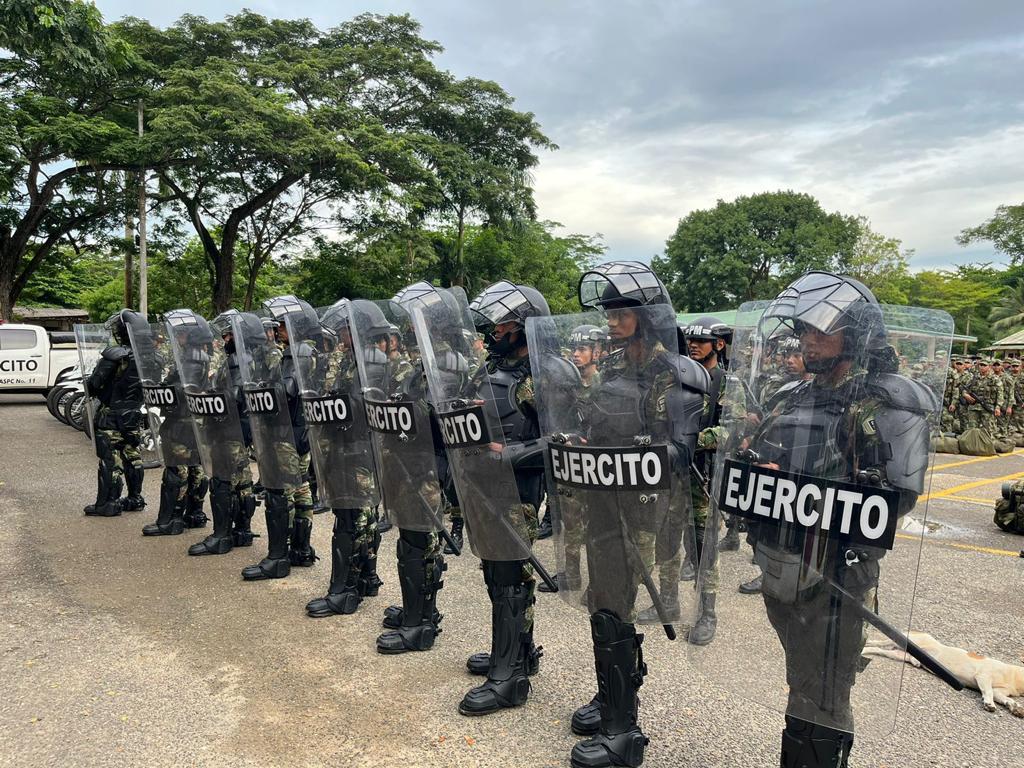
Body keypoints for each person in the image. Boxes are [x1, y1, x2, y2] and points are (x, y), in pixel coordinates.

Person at [730, 271, 937, 767]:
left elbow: (896, 498)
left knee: (823, 694)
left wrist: (805, 493)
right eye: (804, 331)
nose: (808, 340)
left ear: (858, 334)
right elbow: (750, 466)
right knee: (801, 680)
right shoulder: (791, 396)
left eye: (822, 330)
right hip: (781, 561)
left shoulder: (888, 401)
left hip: (839, 574)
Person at [554, 261, 707, 768]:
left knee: (618, 599)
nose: (611, 321)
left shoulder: (675, 371)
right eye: (609, 312)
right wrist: (577, 444)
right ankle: (609, 697)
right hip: (601, 501)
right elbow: (595, 427)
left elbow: (679, 452)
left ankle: (625, 728)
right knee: (602, 599)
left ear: (645, 315)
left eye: (621, 312)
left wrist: (629, 456)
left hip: (645, 507)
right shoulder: (615, 369)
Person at [82, 310, 146, 517]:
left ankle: (108, 503)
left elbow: (95, 384)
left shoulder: (116, 354)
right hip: (134, 415)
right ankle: (135, 498)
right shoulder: (150, 356)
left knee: (110, 460)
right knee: (133, 456)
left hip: (111, 414)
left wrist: (91, 385)